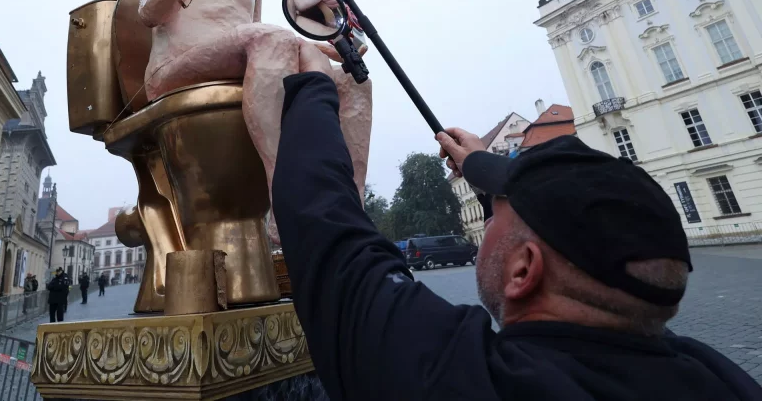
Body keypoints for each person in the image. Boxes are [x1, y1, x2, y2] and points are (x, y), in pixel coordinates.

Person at [271, 62, 762, 401]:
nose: (486, 219)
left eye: (494, 216)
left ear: (523, 269)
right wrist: (483, 166)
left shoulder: (468, 380)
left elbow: (325, 224)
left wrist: (316, 87)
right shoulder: (717, 377)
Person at [138, 0, 372, 241]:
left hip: (235, 57)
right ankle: (286, 198)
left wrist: (316, 47)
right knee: (270, 39)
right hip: (175, 67)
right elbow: (147, 11)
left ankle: (351, 204)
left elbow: (259, 34)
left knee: (352, 80)